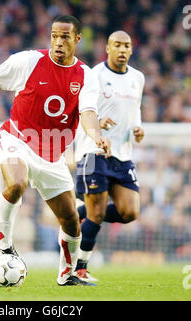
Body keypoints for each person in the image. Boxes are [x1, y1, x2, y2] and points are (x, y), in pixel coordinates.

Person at [0, 15, 111, 286]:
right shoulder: (29, 61)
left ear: (77, 39)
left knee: (71, 221)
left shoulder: (85, 76)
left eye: (65, 37)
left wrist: (95, 134)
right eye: (54, 36)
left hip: (52, 155)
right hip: (18, 139)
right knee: (17, 182)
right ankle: (4, 244)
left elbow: (88, 112)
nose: (58, 42)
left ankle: (67, 274)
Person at [74, 31, 145, 282]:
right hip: (96, 152)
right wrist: (98, 123)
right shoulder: (94, 76)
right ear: (107, 48)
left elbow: (134, 109)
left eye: (127, 45)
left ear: (131, 49)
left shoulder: (138, 77)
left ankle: (77, 212)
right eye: (117, 45)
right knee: (97, 215)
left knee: (129, 212)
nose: (122, 49)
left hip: (123, 156)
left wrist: (138, 128)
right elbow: (82, 110)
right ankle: (79, 268)